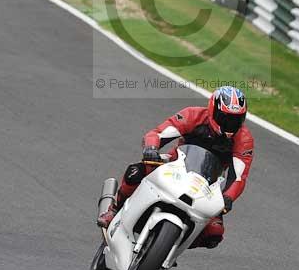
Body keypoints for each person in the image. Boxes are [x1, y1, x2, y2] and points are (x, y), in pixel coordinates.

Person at [98, 86, 254, 248]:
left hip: (209, 184)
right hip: (175, 164)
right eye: (225, 118)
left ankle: (171, 246)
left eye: (236, 120)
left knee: (214, 234)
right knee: (135, 172)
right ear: (212, 110)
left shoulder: (244, 139)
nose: (230, 124)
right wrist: (151, 149)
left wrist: (227, 198)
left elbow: (238, 177)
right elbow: (158, 133)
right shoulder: (193, 115)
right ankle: (114, 209)